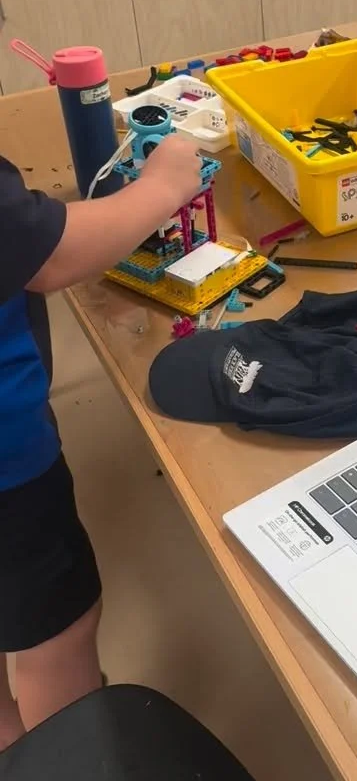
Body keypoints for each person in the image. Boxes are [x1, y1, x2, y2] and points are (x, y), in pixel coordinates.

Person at [0, 135, 203, 749]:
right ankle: (71, 758)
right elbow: (52, 254)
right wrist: (164, 185)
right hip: (7, 468)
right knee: (57, 633)